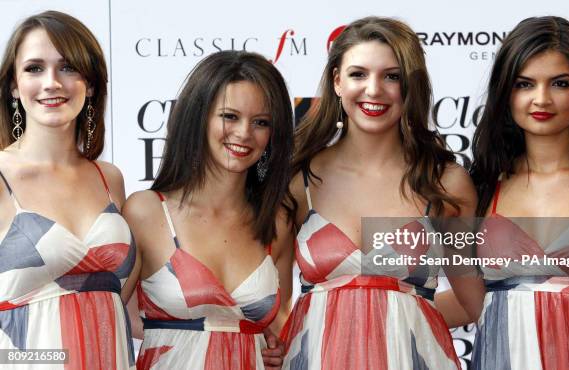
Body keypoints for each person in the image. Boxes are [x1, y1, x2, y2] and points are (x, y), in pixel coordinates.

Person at [279, 16, 483, 370]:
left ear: (411, 87)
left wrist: (400, 316)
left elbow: (471, 303)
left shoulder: (446, 182)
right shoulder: (300, 181)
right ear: (337, 81)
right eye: (359, 74)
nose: (374, 90)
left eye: (392, 76)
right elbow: (276, 307)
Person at [123, 51, 295, 369]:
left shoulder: (277, 221)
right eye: (230, 116)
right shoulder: (146, 212)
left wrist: (278, 350)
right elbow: (109, 317)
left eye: (261, 122)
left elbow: (282, 323)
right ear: (199, 117)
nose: (244, 133)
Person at [470, 16, 569, 369]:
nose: (541, 99)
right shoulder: (481, 187)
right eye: (525, 84)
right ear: (506, 92)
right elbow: (460, 299)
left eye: (560, 83)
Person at [0, 10, 137, 369]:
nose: (51, 82)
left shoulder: (110, 179)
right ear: (13, 85)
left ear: (90, 84)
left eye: (68, 67)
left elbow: (135, 305)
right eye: (34, 68)